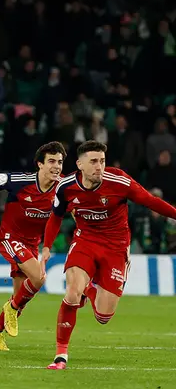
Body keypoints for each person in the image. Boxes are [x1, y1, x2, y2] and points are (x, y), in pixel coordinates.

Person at [43, 141, 176, 369]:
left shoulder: (119, 181)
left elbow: (150, 201)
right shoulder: (65, 187)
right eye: (94, 161)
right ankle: (60, 355)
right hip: (85, 240)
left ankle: (90, 288)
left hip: (116, 246)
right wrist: (46, 247)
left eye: (102, 161)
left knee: (103, 317)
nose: (99, 167)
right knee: (72, 292)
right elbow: (56, 216)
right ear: (80, 164)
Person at [0, 141, 66, 350]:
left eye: (60, 162)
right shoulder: (20, 181)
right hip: (10, 238)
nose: (57, 166)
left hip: (31, 244)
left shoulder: (63, 188)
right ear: (40, 164)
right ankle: (9, 309)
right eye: (52, 161)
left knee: (21, 301)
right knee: (38, 278)